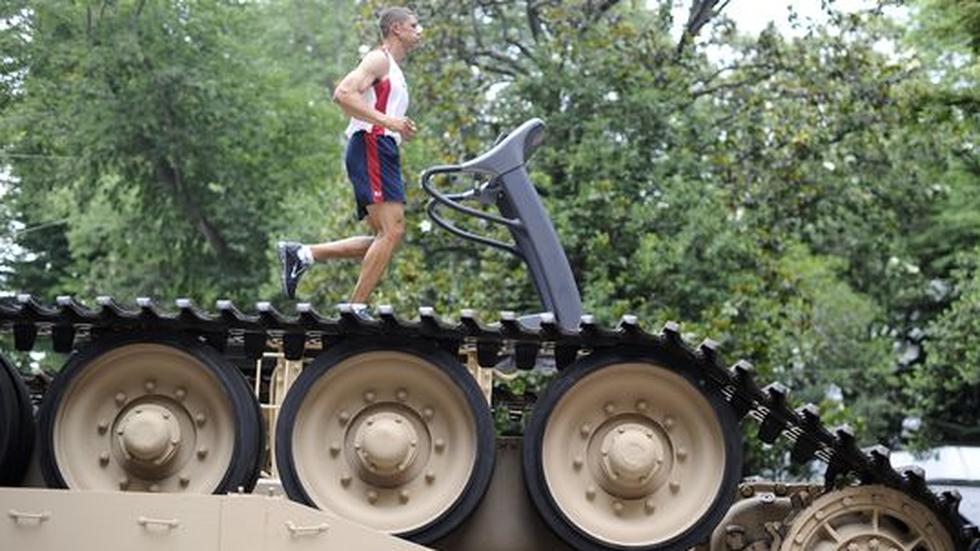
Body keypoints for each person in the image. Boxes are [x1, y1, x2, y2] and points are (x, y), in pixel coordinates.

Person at [278, 6, 422, 304]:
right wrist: (389, 122)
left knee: (385, 238)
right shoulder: (379, 59)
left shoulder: (395, 71)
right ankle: (355, 309)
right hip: (372, 144)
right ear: (396, 28)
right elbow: (343, 94)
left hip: (381, 148)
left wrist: (396, 127)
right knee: (392, 231)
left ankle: (303, 254)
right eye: (414, 25)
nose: (419, 31)